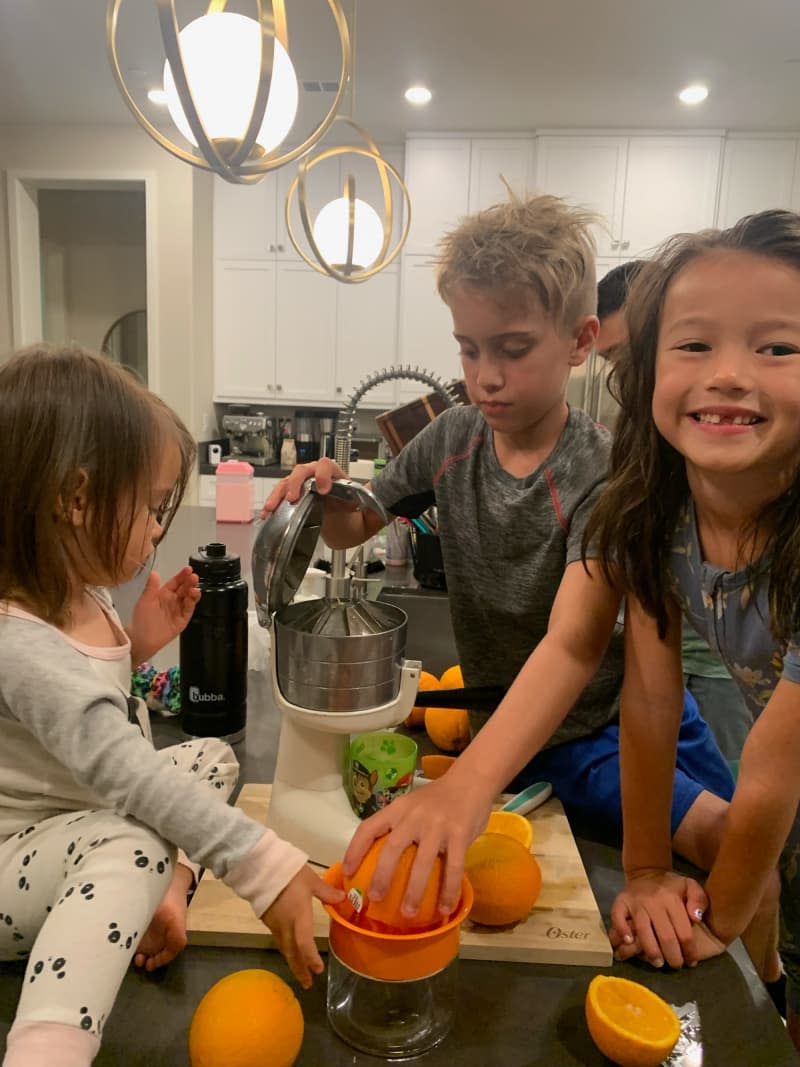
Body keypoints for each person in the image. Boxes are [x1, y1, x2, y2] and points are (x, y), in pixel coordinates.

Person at [262, 195, 767, 973]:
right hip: (510, 735)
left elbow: (574, 640)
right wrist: (330, 492)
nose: (485, 377)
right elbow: (354, 528)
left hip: (601, 732)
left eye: (513, 348)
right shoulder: (452, 436)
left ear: (580, 340)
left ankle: (766, 990)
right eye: (469, 349)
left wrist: (464, 784)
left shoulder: (600, 472)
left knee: (730, 845)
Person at [0, 345, 342, 1067]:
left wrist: (139, 645)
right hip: (19, 864)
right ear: (77, 497)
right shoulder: (16, 641)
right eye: (153, 506)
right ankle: (45, 1050)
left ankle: (167, 892)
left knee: (210, 757)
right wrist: (261, 866)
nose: (160, 527)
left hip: (80, 814)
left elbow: (90, 718)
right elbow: (121, 766)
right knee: (138, 833)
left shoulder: (80, 593)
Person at [584, 209, 800, 1042]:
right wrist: (643, 870)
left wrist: (718, 921)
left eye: (778, 347)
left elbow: (774, 773)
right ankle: (775, 989)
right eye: (695, 345)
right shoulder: (655, 513)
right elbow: (648, 698)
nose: (731, 375)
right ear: (644, 373)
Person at [597, 260, 755, 762]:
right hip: (672, 657)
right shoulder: (645, 458)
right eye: (614, 363)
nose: (625, 380)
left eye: (630, 358)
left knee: (736, 795)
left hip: (721, 675)